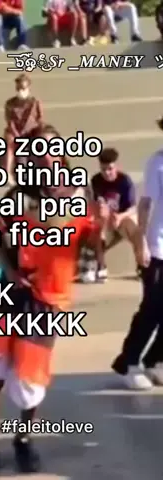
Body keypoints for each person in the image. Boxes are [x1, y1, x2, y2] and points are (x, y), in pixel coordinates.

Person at [0, 124, 99, 472]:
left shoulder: (79, 194)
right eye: (40, 149)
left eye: (52, 148)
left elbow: (91, 243)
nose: (47, 156)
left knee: (33, 374)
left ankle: (23, 439)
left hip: (51, 296)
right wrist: (9, 270)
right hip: (13, 291)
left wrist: (104, 225)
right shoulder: (19, 194)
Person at [111, 123, 163, 390]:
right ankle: (128, 363)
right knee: (152, 308)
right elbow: (145, 204)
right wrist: (141, 241)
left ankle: (155, 361)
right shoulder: (157, 163)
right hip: (157, 248)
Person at [80, 148, 138, 283]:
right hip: (105, 221)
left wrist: (120, 217)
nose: (107, 173)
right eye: (103, 169)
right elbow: (93, 205)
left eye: (110, 169)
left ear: (116, 166)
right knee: (98, 224)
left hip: (122, 218)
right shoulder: (96, 180)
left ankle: (142, 266)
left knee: (136, 230)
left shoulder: (124, 181)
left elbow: (133, 207)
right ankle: (101, 264)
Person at [3, 74, 43, 183]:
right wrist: (16, 134)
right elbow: (10, 122)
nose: (21, 90)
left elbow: (40, 119)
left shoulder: (35, 102)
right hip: (16, 132)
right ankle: (7, 173)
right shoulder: (10, 103)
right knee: (10, 141)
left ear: (28, 87)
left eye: (23, 87)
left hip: (31, 131)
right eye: (19, 88)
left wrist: (39, 131)